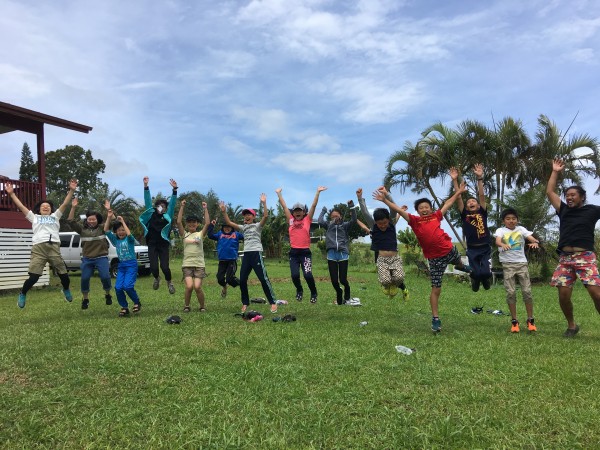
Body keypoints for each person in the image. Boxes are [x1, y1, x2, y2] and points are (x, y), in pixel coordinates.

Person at [373, 184, 471, 333]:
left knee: (457, 258)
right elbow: (398, 210)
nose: (424, 209)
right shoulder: (414, 221)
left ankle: (461, 266)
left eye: (427, 207)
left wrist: (458, 192)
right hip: (434, 259)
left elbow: (448, 203)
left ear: (431, 209)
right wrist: (384, 200)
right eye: (421, 208)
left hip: (448, 250)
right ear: (417, 211)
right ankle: (435, 319)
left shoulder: (436, 216)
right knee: (436, 289)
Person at [546, 158, 600, 337]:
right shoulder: (563, 210)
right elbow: (550, 191)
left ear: (582, 197)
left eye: (572, 195)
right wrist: (555, 171)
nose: (568, 197)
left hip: (584, 256)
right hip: (565, 259)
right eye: (567, 195)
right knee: (563, 295)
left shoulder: (592, 210)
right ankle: (571, 326)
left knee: (596, 294)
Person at [6, 179, 77, 308]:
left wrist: (71, 190)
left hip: (54, 247)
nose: (45, 207)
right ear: (39, 209)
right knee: (34, 277)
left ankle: (66, 289)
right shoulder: (34, 217)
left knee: (64, 275)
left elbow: (65, 204)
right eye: (43, 206)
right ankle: (22, 293)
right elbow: (21, 206)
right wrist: (11, 194)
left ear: (51, 209)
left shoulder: (55, 216)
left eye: (48, 206)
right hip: (39, 248)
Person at [220, 194, 278, 313]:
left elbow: (266, 216)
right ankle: (245, 303)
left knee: (263, 279)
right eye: (245, 214)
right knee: (242, 280)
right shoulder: (243, 227)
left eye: (249, 214)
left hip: (256, 253)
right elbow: (229, 222)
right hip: (246, 255)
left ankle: (272, 302)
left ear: (253, 216)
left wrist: (264, 203)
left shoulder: (257, 226)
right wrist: (224, 211)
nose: (246, 216)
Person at [276, 186, 327, 303]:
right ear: (293, 213)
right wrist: (279, 194)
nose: (298, 212)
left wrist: (318, 192)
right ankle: (299, 290)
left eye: (300, 210)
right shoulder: (291, 220)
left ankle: (314, 292)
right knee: (294, 276)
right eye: (295, 210)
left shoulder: (307, 220)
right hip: (293, 253)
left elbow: (313, 205)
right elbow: (284, 206)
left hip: (305, 253)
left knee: (308, 275)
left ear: (304, 212)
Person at [357, 187, 409, 300]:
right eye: (380, 223)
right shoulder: (373, 226)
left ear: (388, 220)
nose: (383, 225)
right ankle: (387, 285)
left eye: (385, 222)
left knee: (399, 278)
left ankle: (396, 286)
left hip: (395, 258)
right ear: (375, 222)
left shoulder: (392, 224)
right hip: (382, 259)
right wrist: (360, 198)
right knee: (385, 280)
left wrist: (387, 195)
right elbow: (365, 213)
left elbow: (394, 210)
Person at [495, 208, 540, 333]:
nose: (511, 221)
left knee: (527, 291)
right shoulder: (500, 230)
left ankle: (530, 320)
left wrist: (535, 242)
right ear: (504, 220)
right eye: (508, 219)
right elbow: (498, 240)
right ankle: (514, 321)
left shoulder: (521, 229)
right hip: (507, 265)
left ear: (517, 220)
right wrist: (502, 244)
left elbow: (531, 238)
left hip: (521, 264)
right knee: (511, 292)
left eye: (513, 219)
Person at [450, 164, 493, 291]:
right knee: (475, 272)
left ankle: (483, 279)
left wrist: (479, 178)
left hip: (485, 247)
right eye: (468, 202)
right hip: (472, 249)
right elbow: (458, 198)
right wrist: (454, 180)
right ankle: (475, 280)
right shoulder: (465, 215)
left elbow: (481, 196)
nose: (471, 202)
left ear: (479, 205)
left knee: (486, 272)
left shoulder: (482, 212)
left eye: (473, 201)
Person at [67, 197, 113, 309]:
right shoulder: (82, 230)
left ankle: (108, 294)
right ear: (86, 220)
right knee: (84, 278)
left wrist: (109, 210)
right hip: (87, 259)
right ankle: (85, 299)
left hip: (101, 257)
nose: (91, 221)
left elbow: (112, 221)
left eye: (93, 219)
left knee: (105, 277)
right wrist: (73, 207)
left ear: (98, 220)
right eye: (89, 219)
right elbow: (70, 221)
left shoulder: (102, 228)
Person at [139, 176, 178, 294]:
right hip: (152, 244)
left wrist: (175, 190)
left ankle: (169, 282)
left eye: (163, 206)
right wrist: (146, 186)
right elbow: (147, 201)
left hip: (163, 245)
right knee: (154, 268)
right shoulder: (151, 214)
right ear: (156, 207)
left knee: (165, 267)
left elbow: (172, 204)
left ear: (165, 208)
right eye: (159, 206)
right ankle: (156, 278)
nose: (161, 208)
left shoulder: (167, 216)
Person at [318, 200, 357, 305]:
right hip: (331, 254)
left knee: (343, 279)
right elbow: (320, 221)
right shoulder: (328, 225)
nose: (334, 218)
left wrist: (351, 207)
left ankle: (347, 293)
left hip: (342, 254)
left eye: (336, 216)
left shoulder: (344, 225)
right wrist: (323, 211)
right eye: (332, 216)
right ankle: (339, 292)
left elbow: (354, 220)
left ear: (340, 216)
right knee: (334, 281)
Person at [176, 200, 210, 312]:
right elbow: (178, 222)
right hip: (187, 265)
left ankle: (202, 306)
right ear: (187, 224)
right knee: (189, 286)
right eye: (189, 222)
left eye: (194, 222)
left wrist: (205, 209)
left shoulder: (200, 234)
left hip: (199, 265)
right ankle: (186, 306)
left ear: (197, 224)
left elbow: (208, 223)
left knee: (197, 287)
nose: (192, 224)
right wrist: (182, 207)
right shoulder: (184, 235)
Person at [105, 212, 141, 317]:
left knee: (128, 286)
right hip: (121, 266)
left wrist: (122, 221)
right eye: (119, 230)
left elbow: (129, 234)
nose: (121, 232)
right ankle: (124, 307)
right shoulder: (115, 240)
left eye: (123, 230)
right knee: (118, 287)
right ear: (116, 232)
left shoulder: (129, 239)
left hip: (131, 265)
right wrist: (108, 217)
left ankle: (137, 302)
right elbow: (106, 230)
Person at [207, 218, 243, 298]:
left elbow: (246, 235)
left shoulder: (236, 234)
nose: (227, 228)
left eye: (229, 227)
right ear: (222, 228)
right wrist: (211, 225)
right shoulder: (220, 234)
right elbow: (210, 235)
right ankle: (224, 286)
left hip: (231, 261)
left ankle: (242, 283)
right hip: (222, 261)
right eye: (225, 227)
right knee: (219, 279)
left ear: (232, 227)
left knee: (230, 279)